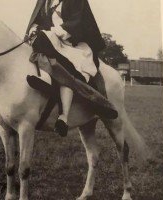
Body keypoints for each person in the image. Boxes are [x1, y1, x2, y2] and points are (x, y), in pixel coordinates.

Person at [25, 0, 105, 136]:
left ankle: (63, 117)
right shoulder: (44, 2)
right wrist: (34, 30)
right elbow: (36, 21)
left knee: (44, 41)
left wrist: (52, 32)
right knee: (39, 43)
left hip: (73, 45)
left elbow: (78, 23)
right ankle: (46, 79)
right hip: (52, 44)